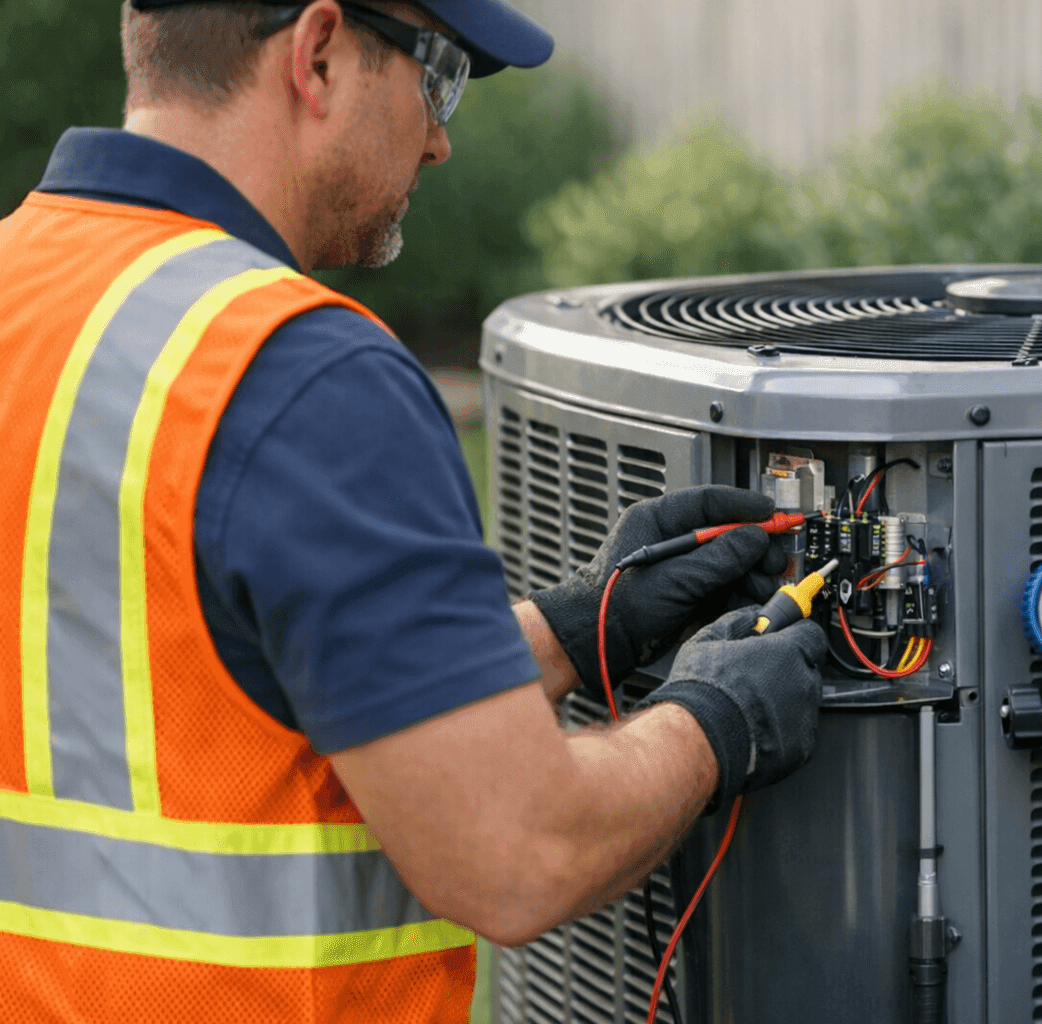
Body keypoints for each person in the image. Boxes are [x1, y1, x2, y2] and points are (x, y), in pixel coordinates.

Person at [0, 2, 828, 1021]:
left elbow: (147, 676)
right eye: (437, 77)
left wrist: (571, 629)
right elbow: (520, 851)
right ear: (319, 54)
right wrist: (716, 720)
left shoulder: (26, 289)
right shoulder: (299, 374)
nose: (439, 140)